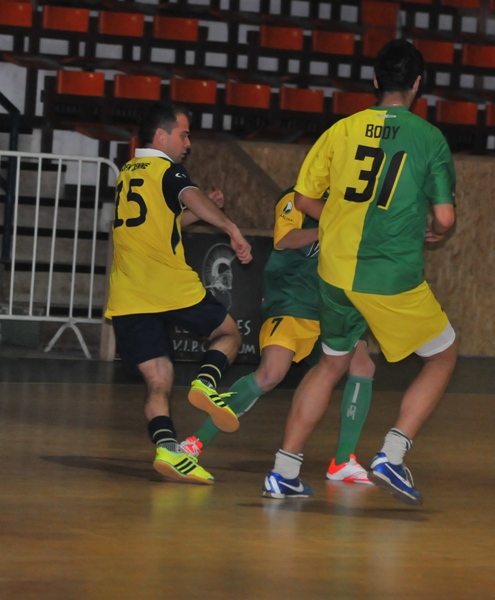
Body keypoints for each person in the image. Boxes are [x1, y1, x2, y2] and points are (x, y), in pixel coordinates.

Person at [262, 38, 458, 506]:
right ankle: (393, 453)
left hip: (335, 271)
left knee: (331, 363)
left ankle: (283, 471)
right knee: (443, 354)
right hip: (387, 272)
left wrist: (341, 218)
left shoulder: (341, 130)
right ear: (417, 84)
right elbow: (445, 218)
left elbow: (304, 199)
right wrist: (431, 229)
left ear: (374, 81)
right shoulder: (428, 138)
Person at [181, 187, 376, 487]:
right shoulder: (298, 196)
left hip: (336, 303)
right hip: (293, 299)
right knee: (271, 374)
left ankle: (342, 460)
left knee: (363, 366)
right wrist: (328, 229)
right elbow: (284, 238)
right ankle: (195, 442)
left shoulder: (355, 198)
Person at [105, 102, 252, 485]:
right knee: (228, 333)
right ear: (161, 136)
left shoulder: (127, 172)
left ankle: (168, 450)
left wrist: (198, 212)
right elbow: (190, 194)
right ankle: (206, 382)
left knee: (159, 378)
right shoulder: (167, 169)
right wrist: (230, 227)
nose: (188, 144)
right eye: (183, 135)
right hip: (166, 282)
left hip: (128, 292)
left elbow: (161, 221)